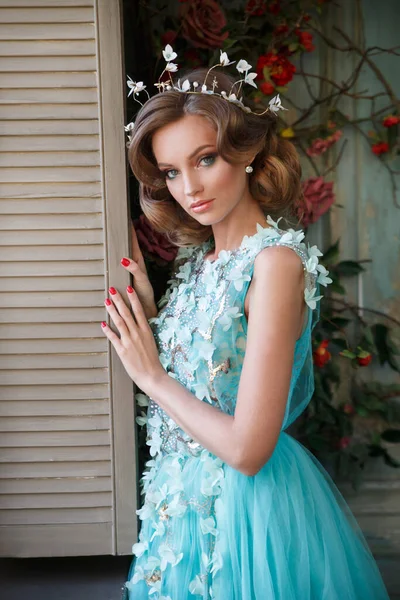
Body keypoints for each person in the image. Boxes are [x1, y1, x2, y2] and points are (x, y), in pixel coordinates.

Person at [101, 49, 390, 599]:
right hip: (177, 510)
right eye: (170, 171)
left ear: (247, 151)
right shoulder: (197, 264)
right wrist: (157, 319)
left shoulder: (276, 264)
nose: (188, 188)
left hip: (243, 514)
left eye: (205, 158)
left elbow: (249, 448)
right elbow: (215, 370)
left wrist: (151, 377)